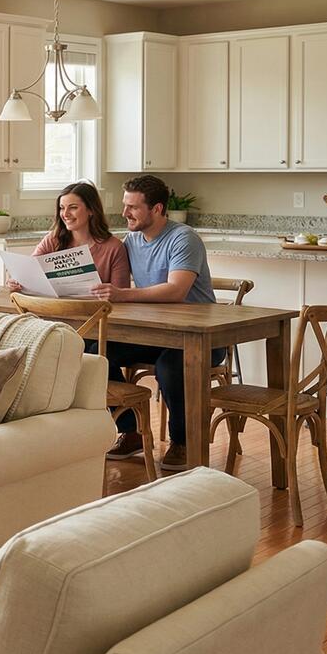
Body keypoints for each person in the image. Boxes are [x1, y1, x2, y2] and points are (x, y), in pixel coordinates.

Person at [89, 174, 223, 473]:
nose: (125, 213)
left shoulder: (183, 238)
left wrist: (123, 295)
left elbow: (177, 290)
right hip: (157, 334)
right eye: (125, 205)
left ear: (158, 209)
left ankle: (183, 441)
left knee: (170, 367)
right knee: (95, 350)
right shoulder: (132, 240)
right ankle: (132, 430)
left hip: (201, 338)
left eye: (133, 207)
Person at [4, 181, 131, 292]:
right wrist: (16, 281)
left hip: (95, 315)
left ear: (91, 210)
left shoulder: (114, 248)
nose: (65, 214)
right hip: (53, 312)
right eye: (62, 208)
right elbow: (27, 273)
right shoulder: (52, 240)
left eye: (73, 208)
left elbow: (121, 297)